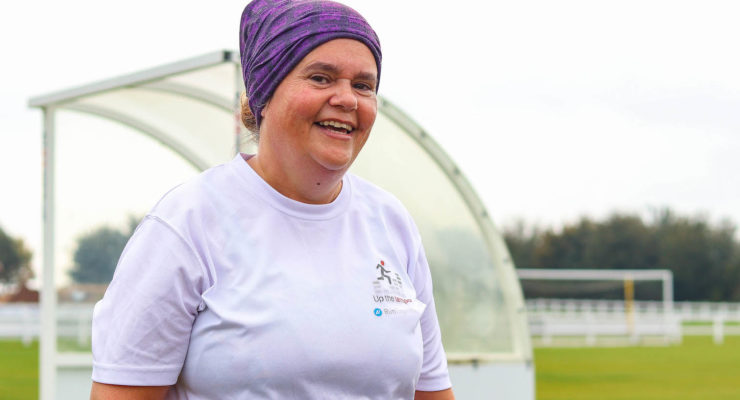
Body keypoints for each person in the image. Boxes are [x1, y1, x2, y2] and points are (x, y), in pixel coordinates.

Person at [90, 1, 455, 399]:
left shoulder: (390, 221)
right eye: (321, 77)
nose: (347, 99)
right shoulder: (187, 223)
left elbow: (432, 393)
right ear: (263, 93)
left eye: (364, 85)